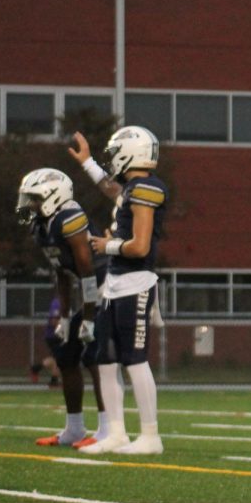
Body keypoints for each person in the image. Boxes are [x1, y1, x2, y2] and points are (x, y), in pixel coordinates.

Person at [69, 126, 167, 455]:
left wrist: (106, 244)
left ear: (130, 153)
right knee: (105, 360)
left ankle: (151, 436)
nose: (113, 160)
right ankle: (116, 433)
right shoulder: (133, 187)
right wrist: (88, 163)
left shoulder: (147, 189)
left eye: (115, 153)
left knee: (134, 360)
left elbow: (139, 247)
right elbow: (113, 191)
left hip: (135, 282)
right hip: (115, 284)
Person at [15, 168, 109, 447]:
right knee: (65, 354)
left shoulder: (70, 218)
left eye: (33, 198)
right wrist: (66, 317)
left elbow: (88, 271)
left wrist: (88, 319)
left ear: (53, 196)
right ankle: (74, 429)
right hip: (90, 287)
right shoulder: (43, 226)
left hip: (109, 287)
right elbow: (62, 272)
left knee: (94, 356)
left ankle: (107, 430)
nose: (28, 205)